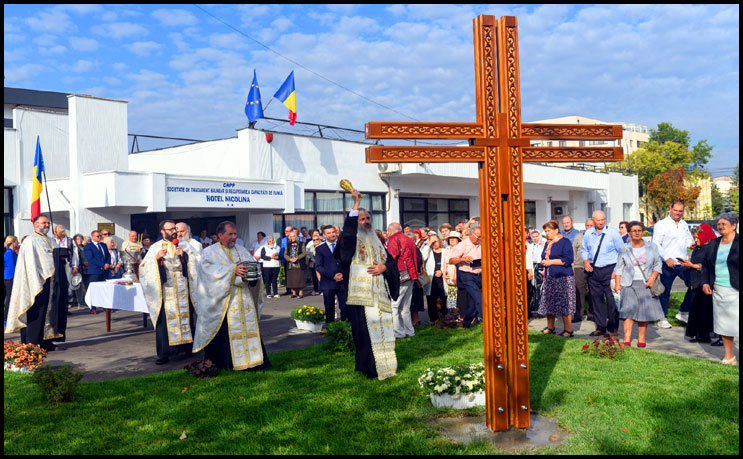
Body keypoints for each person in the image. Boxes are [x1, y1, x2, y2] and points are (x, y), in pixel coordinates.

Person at [336, 189, 399, 379]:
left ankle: (387, 366)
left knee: (384, 331)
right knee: (364, 333)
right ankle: (369, 368)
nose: (367, 222)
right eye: (362, 219)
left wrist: (384, 269)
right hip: (361, 297)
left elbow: (391, 262)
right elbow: (346, 238)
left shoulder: (378, 241)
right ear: (355, 222)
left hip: (380, 296)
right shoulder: (351, 239)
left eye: (368, 218)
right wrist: (355, 206)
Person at [192, 220, 270, 371]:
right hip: (224, 303)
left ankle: (254, 362)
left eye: (235, 234)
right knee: (225, 334)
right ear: (220, 235)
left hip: (244, 300)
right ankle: (227, 364)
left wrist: (252, 274)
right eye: (230, 234)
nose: (234, 237)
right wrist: (232, 270)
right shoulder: (209, 252)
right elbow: (208, 275)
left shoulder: (242, 250)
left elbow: (252, 271)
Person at [139, 220, 196, 365]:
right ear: (162, 232)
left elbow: (196, 264)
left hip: (182, 288)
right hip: (165, 290)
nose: (174, 231)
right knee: (164, 321)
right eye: (171, 229)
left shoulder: (184, 245)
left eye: (175, 228)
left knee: (186, 317)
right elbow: (144, 268)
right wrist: (156, 258)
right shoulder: (155, 248)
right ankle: (164, 353)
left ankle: (186, 349)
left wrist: (184, 257)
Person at [5, 215, 62, 350]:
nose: (47, 225)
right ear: (36, 224)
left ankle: (46, 341)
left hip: (51, 281)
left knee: (49, 313)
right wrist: (36, 283)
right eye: (43, 223)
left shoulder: (51, 240)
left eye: (48, 223)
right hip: (36, 282)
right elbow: (31, 263)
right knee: (37, 313)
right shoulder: (31, 241)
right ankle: (32, 343)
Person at [614, 221, 665, 347]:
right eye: (634, 231)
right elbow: (619, 267)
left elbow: (658, 264)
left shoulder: (652, 247)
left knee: (644, 312)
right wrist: (617, 283)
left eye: (639, 230)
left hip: (646, 282)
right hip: (628, 283)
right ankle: (627, 338)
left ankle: (641, 339)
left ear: (642, 232)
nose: (637, 233)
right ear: (629, 233)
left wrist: (652, 278)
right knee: (628, 311)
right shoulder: (624, 248)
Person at [701, 213, 739, 365]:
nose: (720, 226)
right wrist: (705, 283)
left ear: (734, 225)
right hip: (719, 289)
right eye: (718, 224)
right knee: (724, 324)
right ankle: (729, 356)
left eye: (724, 223)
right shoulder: (714, 243)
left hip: (736, 290)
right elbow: (705, 265)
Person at [582, 210, 625, 338]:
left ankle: (612, 329)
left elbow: (622, 252)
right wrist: (585, 261)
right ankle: (600, 327)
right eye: (598, 220)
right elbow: (584, 249)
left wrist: (616, 271)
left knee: (611, 300)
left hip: (610, 269)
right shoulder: (588, 233)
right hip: (594, 270)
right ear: (593, 220)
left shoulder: (612, 233)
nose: (601, 222)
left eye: (603, 220)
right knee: (596, 300)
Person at [652, 200, 694, 328]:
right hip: (668, 264)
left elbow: (687, 239)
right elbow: (656, 244)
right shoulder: (661, 224)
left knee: (694, 285)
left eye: (680, 211)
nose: (678, 213)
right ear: (670, 209)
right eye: (675, 210)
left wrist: (691, 244)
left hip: (683, 263)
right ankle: (662, 318)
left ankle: (683, 311)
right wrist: (666, 258)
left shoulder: (683, 224)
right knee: (665, 291)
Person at [679, 224, 717, 343]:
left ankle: (706, 334)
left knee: (705, 309)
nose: (696, 240)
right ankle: (698, 334)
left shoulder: (711, 248)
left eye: (697, 238)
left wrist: (692, 265)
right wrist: (688, 263)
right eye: (694, 238)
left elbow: (708, 266)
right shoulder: (698, 248)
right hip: (695, 282)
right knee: (696, 309)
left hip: (704, 282)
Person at [538, 221, 576, 337]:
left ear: (556, 230)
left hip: (563, 277)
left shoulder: (565, 242)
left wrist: (551, 262)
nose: (547, 233)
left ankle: (568, 330)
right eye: (545, 231)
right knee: (549, 302)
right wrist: (544, 261)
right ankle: (550, 327)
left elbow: (568, 259)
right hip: (550, 276)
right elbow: (543, 256)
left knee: (564, 303)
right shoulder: (548, 243)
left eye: (549, 231)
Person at [386, 222, 419, 339]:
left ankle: (399, 333)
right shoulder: (408, 238)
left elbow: (391, 257)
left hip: (400, 275)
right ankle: (409, 331)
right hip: (411, 274)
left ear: (390, 231)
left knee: (394, 306)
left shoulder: (393, 239)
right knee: (405, 307)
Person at [448, 226, 483, 328]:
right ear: (471, 235)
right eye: (478, 237)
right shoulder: (463, 245)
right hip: (467, 275)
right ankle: (486, 323)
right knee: (479, 298)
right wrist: (463, 259)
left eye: (481, 237)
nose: (479, 239)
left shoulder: (481, 244)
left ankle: (466, 324)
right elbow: (451, 260)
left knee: (473, 304)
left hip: (479, 274)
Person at [315, 225, 347, 323]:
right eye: (329, 233)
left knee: (345, 307)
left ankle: (345, 329)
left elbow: (348, 262)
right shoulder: (320, 249)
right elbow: (319, 266)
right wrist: (332, 276)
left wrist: (343, 274)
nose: (332, 234)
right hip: (328, 283)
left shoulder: (343, 246)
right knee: (329, 309)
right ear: (324, 235)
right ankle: (330, 330)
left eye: (333, 232)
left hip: (343, 281)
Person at [571, 219, 594, 322]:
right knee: (579, 291)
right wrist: (573, 267)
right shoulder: (578, 236)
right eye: (587, 225)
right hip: (579, 266)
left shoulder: (597, 236)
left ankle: (591, 314)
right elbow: (573, 252)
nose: (588, 227)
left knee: (592, 291)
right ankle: (578, 315)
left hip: (593, 267)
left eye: (591, 225)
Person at [83, 229, 111, 314]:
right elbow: (91, 258)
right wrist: (102, 265)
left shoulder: (103, 245)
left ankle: (104, 305)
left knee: (103, 289)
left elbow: (108, 256)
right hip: (94, 271)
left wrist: (107, 263)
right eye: (97, 236)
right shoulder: (88, 246)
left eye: (100, 236)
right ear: (92, 237)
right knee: (93, 290)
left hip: (104, 271)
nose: (99, 237)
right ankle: (93, 307)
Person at [176, 222, 203, 298]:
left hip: (192, 279)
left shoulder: (196, 244)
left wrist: (185, 256)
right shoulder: (174, 244)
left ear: (188, 231)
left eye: (182, 231)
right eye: (177, 232)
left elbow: (200, 261)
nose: (179, 234)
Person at [425, 235, 446, 324]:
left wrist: (441, 271)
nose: (434, 244)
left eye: (436, 241)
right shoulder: (428, 251)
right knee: (431, 300)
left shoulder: (445, 251)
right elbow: (422, 258)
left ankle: (445, 318)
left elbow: (449, 263)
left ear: (439, 241)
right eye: (432, 242)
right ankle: (433, 320)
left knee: (445, 299)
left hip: (443, 279)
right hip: (431, 279)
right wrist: (428, 245)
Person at [441, 231, 462, 314]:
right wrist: (444, 273)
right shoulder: (447, 249)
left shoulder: (459, 249)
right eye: (450, 238)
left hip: (456, 273)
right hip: (448, 274)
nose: (452, 240)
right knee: (450, 294)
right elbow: (444, 262)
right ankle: (451, 313)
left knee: (457, 294)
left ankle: (458, 314)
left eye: (454, 238)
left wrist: (456, 276)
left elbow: (458, 264)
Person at [284, 230, 307, 298]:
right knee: (292, 279)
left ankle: (300, 293)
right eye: (291, 236)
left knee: (300, 278)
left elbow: (304, 253)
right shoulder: (288, 244)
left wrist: (297, 258)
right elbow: (285, 254)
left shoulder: (301, 243)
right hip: (291, 264)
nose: (293, 238)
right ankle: (294, 293)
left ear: (296, 236)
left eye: (294, 236)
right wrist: (289, 259)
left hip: (299, 264)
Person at [4, 236, 20, 325]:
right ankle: (6, 316)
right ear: (12, 242)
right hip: (10, 278)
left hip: (10, 277)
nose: (17, 243)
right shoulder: (9, 253)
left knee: (10, 297)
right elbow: (12, 267)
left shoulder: (12, 253)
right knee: (10, 297)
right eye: (16, 241)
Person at [72, 234, 88, 309]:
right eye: (77, 239)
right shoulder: (74, 248)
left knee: (86, 285)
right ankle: (80, 303)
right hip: (78, 268)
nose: (79, 240)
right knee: (78, 286)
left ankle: (87, 301)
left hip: (85, 269)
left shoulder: (84, 248)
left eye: (81, 239)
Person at [305, 229, 322, 296]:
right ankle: (316, 289)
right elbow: (308, 254)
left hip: (321, 264)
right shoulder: (310, 246)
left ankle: (323, 289)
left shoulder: (322, 245)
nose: (315, 241)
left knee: (322, 277)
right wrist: (311, 258)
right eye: (314, 240)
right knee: (314, 277)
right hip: (313, 264)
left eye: (317, 239)